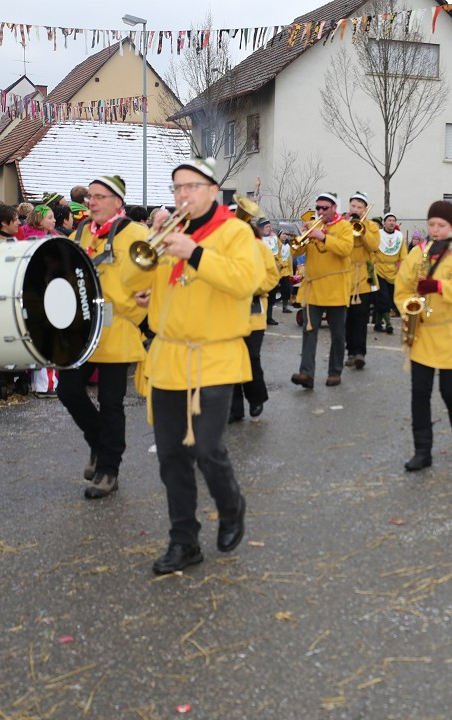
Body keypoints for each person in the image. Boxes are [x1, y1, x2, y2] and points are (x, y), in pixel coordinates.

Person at [121, 157, 260, 575]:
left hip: (213, 357)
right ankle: (184, 541)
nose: (183, 194)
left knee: (205, 447)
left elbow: (244, 281)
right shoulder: (170, 233)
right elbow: (132, 282)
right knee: (170, 457)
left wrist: (195, 253)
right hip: (168, 358)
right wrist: (152, 243)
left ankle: (231, 503)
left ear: (214, 191)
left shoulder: (236, 232)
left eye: (192, 186)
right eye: (178, 187)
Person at [56, 174, 149, 496]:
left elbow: (147, 289)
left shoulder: (138, 235)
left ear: (117, 202)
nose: (91, 202)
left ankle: (109, 470)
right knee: (68, 391)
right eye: (90, 196)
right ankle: (98, 443)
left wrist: (127, 309)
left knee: (111, 403)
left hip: (117, 329)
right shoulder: (81, 232)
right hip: (83, 331)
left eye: (99, 196)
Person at [395, 201, 452, 470]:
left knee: (450, 391)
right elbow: (402, 288)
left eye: (441, 225)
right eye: (431, 224)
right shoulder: (418, 253)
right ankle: (422, 451)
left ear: (451, 225)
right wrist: (409, 306)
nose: (435, 230)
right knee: (419, 394)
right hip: (423, 334)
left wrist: (440, 286)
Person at [292, 192, 353, 389]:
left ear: (334, 208)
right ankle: (306, 374)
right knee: (309, 332)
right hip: (314, 289)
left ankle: (334, 372)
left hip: (336, 288)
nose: (320, 211)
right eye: (318, 208)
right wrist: (300, 238)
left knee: (337, 334)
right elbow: (296, 251)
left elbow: (345, 249)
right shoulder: (312, 225)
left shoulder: (344, 226)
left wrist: (323, 236)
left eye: (324, 208)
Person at [231, 217, 280, 423]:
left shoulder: (260, 247)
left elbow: (272, 276)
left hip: (253, 311)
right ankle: (234, 409)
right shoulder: (223, 248)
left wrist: (252, 287)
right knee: (230, 360)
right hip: (228, 312)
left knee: (251, 357)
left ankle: (255, 399)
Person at [342, 192, 381, 370]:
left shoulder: (371, 226)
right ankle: (350, 351)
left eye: (359, 207)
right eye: (353, 206)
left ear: (365, 209)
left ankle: (360, 353)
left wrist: (361, 228)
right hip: (345, 276)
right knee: (347, 318)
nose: (356, 209)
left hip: (364, 276)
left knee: (361, 316)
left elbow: (373, 246)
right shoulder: (343, 224)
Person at [373, 212, 407, 334]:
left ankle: (377, 323)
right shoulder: (378, 235)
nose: (391, 222)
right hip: (379, 270)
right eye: (389, 220)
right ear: (385, 223)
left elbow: (403, 255)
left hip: (393, 271)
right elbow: (372, 251)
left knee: (389, 298)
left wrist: (403, 269)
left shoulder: (399, 236)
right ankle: (388, 323)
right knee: (384, 297)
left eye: (393, 220)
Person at [254, 217, 284, 326]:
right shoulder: (257, 239)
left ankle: (269, 317)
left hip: (274, 271)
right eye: (267, 226)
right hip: (262, 272)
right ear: (261, 229)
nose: (269, 228)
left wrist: (280, 262)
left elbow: (280, 252)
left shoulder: (275, 239)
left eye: (269, 226)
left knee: (272, 296)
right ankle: (261, 317)